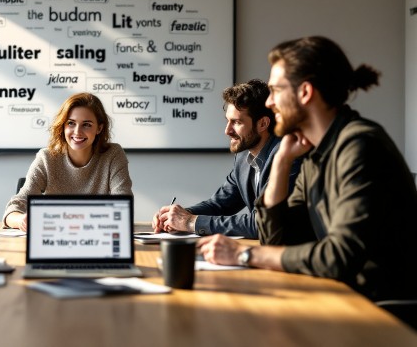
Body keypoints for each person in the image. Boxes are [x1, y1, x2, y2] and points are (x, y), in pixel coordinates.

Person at [197, 36, 417, 301]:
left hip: (382, 309)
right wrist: (280, 163)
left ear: (305, 92)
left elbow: (340, 256)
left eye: (276, 91)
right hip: (340, 297)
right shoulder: (312, 152)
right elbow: (276, 240)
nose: (269, 103)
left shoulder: (359, 145)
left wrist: (243, 254)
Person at [152, 79, 300, 238]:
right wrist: (178, 215)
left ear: (263, 123)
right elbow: (219, 205)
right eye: (227, 121)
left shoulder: (287, 155)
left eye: (236, 122)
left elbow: (260, 223)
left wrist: (189, 222)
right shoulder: (244, 157)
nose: (227, 130)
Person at [3, 92, 132, 231]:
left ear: (99, 128)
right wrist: (21, 220)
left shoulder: (113, 155)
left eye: (86, 125)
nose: (77, 132)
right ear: (63, 125)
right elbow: (13, 209)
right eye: (71, 123)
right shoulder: (46, 158)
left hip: (97, 237)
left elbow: (123, 208)